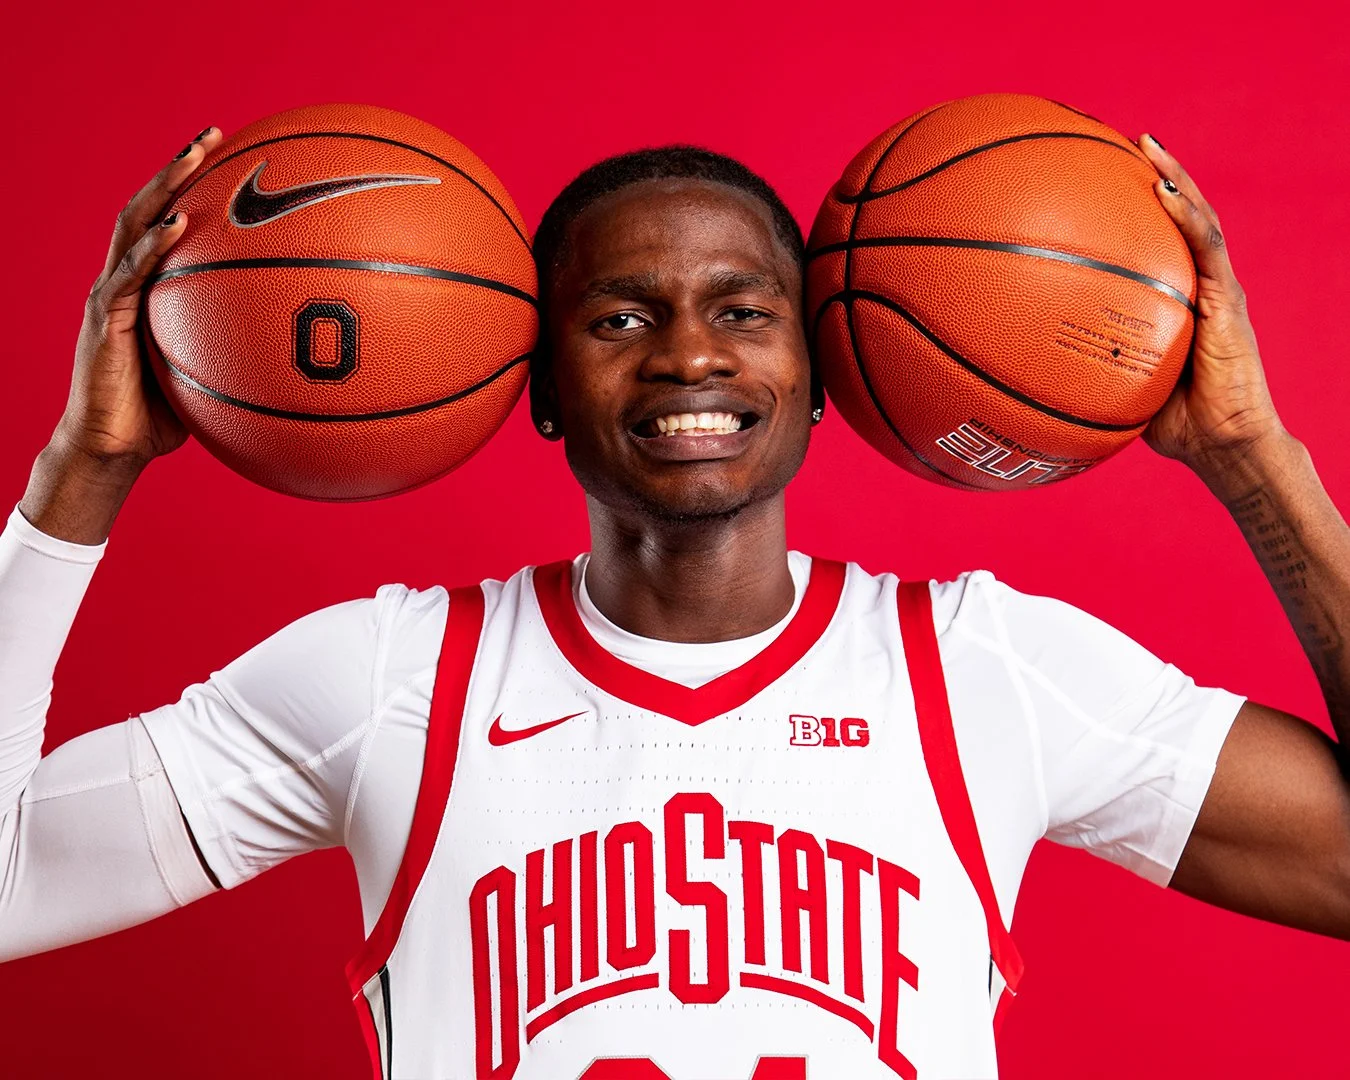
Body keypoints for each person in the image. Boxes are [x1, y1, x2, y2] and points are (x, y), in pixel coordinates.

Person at [2, 123, 1347, 1080]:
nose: (689, 355)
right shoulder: (387, 676)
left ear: (826, 374)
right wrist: (85, 469)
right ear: (534, 386)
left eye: (743, 312)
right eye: (619, 319)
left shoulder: (982, 666)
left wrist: (1250, 459)